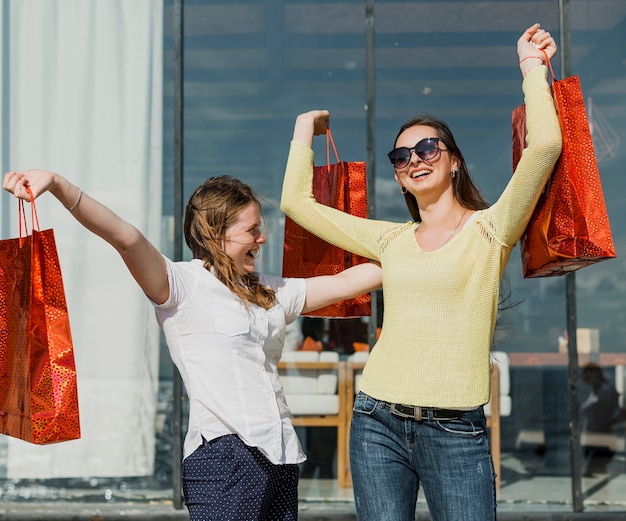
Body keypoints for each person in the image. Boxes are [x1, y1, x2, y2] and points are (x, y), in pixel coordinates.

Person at [280, 23, 562, 521]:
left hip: (457, 433)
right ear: (398, 176)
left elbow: (543, 147)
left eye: (428, 148)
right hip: (376, 421)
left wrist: (531, 67)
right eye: (401, 156)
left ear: (453, 162)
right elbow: (296, 205)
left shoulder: (491, 230)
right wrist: (306, 128)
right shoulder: (391, 240)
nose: (415, 160)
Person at [2, 171, 382, 521]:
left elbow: (351, 280)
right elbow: (125, 237)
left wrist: (421, 246)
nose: (261, 239)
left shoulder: (271, 291)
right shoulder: (182, 286)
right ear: (218, 235)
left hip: (280, 456)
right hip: (225, 458)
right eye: (252, 231)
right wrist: (56, 183)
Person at [580, 363, 621, 476]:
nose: (586, 379)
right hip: (591, 437)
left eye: (589, 375)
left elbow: (617, 412)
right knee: (596, 472)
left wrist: (606, 426)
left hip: (600, 438)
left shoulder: (606, 390)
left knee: (592, 470)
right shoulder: (594, 390)